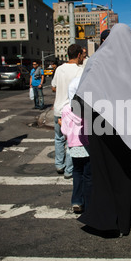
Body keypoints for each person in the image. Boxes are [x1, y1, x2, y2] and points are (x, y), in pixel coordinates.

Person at [75, 24, 131, 236]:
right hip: (126, 130)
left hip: (100, 130)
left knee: (103, 175)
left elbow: (79, 102)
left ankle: (106, 221)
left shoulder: (97, 60)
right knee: (124, 174)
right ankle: (124, 221)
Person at [51, 44, 84, 178]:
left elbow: (53, 87)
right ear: (78, 55)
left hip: (58, 109)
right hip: (71, 111)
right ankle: (69, 170)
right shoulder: (79, 70)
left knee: (59, 138)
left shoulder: (59, 69)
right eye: (82, 55)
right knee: (71, 141)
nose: (83, 57)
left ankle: (59, 165)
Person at [60, 76, 91, 213]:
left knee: (77, 173)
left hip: (73, 146)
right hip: (87, 146)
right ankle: (89, 201)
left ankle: (77, 200)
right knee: (88, 174)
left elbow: (64, 131)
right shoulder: (87, 110)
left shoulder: (66, 109)